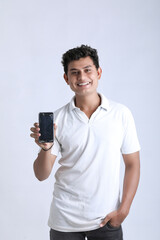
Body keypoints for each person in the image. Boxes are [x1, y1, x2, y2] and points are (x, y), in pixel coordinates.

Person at [30, 45, 140, 240]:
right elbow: (41, 174)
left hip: (107, 220)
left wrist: (123, 210)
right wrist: (46, 149)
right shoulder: (58, 119)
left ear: (98, 72)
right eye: (74, 72)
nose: (82, 78)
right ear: (66, 78)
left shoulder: (121, 114)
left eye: (87, 70)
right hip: (64, 222)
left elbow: (132, 164)